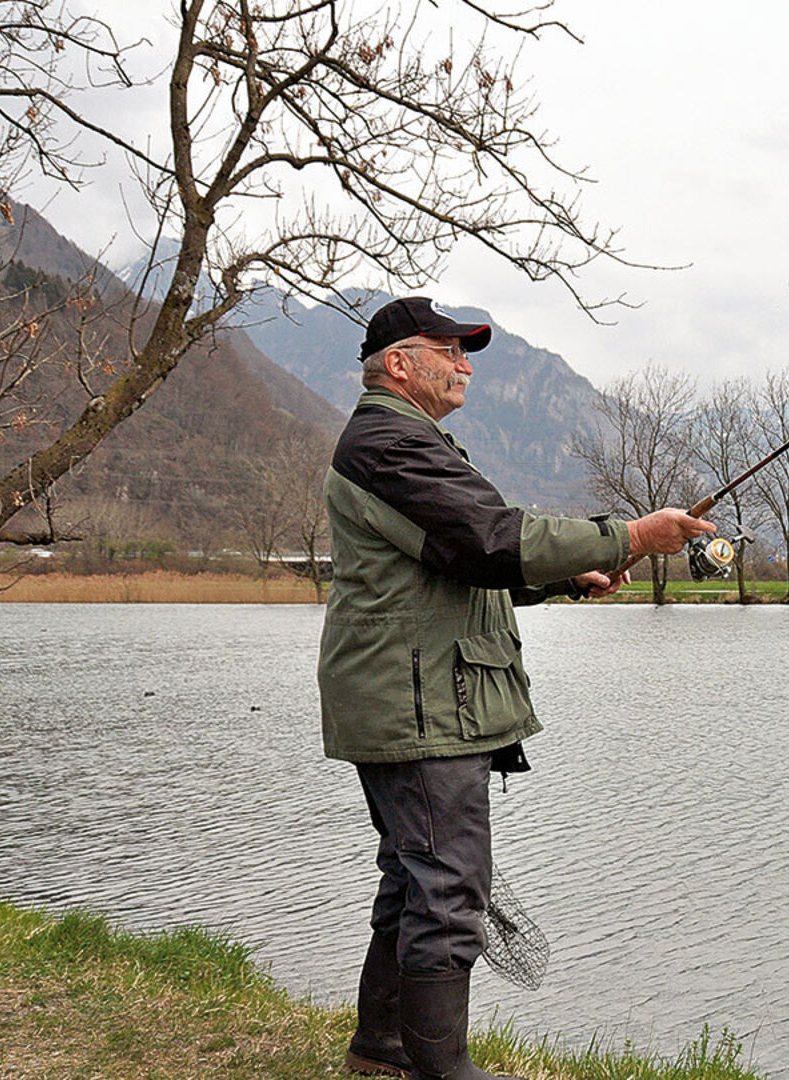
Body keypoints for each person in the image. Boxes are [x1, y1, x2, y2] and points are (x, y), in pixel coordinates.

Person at [317, 296, 713, 1080]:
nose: (466, 364)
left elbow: (467, 561)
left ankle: (382, 1047)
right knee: (446, 885)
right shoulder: (391, 444)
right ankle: (439, 1067)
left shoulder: (401, 442)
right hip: (419, 702)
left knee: (413, 872)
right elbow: (497, 537)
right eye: (451, 349)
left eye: (468, 352)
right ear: (400, 363)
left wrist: (574, 573)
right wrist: (632, 535)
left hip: (412, 694)